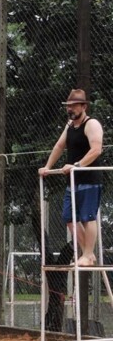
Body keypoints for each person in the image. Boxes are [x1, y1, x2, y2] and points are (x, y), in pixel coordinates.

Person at [39, 88, 105, 266]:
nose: (70, 109)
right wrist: (47, 167)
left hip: (89, 180)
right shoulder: (70, 125)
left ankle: (88, 253)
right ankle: (87, 254)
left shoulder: (92, 124)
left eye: (74, 106)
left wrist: (77, 166)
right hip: (73, 181)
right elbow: (59, 146)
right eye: (68, 106)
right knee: (69, 218)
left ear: (84, 106)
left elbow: (96, 150)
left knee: (87, 217)